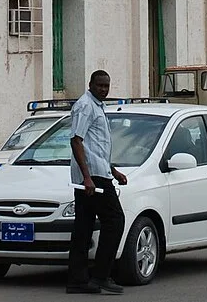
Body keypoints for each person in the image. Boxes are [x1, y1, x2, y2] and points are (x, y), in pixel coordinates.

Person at [67, 70, 127, 295]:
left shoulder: (97, 106)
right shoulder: (85, 106)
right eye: (100, 85)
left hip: (98, 173)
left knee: (83, 227)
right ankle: (101, 275)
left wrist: (113, 170)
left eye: (106, 85)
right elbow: (76, 141)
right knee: (115, 220)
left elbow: (96, 147)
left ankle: (78, 280)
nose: (104, 89)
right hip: (92, 178)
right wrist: (87, 177)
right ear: (90, 84)